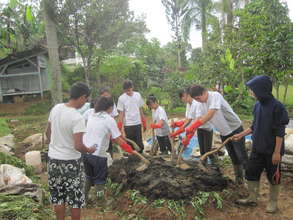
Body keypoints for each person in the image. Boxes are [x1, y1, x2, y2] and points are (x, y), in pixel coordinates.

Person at [233, 75, 289, 213]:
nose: (251, 92)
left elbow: (280, 132)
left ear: (261, 90)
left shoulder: (277, 107)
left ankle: (273, 203)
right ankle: (252, 198)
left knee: (273, 176)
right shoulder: (258, 105)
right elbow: (254, 126)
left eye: (253, 90)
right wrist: (240, 135)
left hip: (272, 151)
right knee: (251, 172)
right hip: (257, 148)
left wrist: (277, 152)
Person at [176, 85, 248, 184]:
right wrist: (190, 132)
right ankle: (239, 179)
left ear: (204, 92)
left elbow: (210, 114)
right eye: (196, 99)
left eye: (198, 98)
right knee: (233, 156)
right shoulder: (201, 103)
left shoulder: (215, 96)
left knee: (241, 155)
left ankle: (250, 178)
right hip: (223, 132)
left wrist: (193, 126)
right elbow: (199, 118)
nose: (198, 101)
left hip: (235, 128)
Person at [45, 82, 96, 220]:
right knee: (75, 199)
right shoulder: (77, 118)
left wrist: (55, 145)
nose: (86, 102)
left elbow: (48, 133)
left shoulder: (56, 109)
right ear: (82, 97)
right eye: (86, 99)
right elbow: (78, 146)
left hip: (53, 160)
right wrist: (89, 149)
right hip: (71, 163)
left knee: (58, 197)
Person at [82, 96, 135, 203]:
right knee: (99, 180)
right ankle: (101, 201)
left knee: (88, 176)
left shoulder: (91, 113)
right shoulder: (108, 119)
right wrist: (129, 149)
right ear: (110, 108)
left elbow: (103, 132)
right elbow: (117, 139)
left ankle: (83, 198)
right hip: (98, 155)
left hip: (85, 152)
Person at [171, 89, 214, 164]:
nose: (182, 100)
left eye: (182, 98)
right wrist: (179, 126)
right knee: (202, 150)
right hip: (198, 129)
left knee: (208, 150)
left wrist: (188, 135)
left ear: (186, 95)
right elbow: (189, 119)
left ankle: (215, 165)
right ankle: (204, 164)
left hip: (206, 128)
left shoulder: (196, 104)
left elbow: (197, 120)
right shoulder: (189, 104)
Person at [117, 79, 146, 153]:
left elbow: (140, 109)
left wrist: (144, 121)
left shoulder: (138, 95)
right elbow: (121, 113)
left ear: (132, 87)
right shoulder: (121, 98)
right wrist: (119, 127)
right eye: (126, 90)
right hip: (128, 124)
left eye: (129, 90)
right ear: (124, 90)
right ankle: (133, 157)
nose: (128, 92)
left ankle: (141, 155)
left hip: (137, 122)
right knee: (130, 142)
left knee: (139, 142)